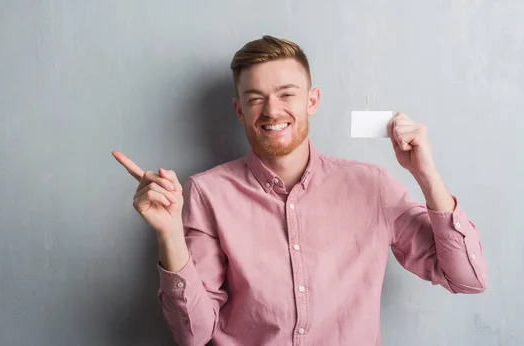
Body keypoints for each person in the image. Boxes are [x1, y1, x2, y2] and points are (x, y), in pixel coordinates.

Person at [112, 35, 488, 346]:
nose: (272, 110)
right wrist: (169, 234)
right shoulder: (206, 193)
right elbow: (193, 334)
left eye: (287, 94)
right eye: (255, 98)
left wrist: (426, 175)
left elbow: (467, 279)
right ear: (239, 110)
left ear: (312, 101)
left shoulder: (371, 186)